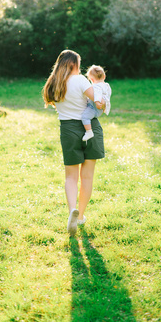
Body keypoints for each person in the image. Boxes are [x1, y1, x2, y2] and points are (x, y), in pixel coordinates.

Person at [43, 50, 105, 236]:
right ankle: (80, 216)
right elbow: (98, 102)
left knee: (71, 176)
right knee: (87, 177)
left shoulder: (54, 83)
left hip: (68, 130)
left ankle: (72, 210)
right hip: (89, 129)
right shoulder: (80, 80)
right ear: (74, 64)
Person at [81, 65, 112, 142]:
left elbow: (97, 95)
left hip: (94, 108)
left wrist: (97, 102)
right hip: (101, 109)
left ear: (91, 79)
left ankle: (89, 132)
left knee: (85, 117)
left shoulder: (96, 86)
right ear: (104, 76)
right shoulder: (107, 86)